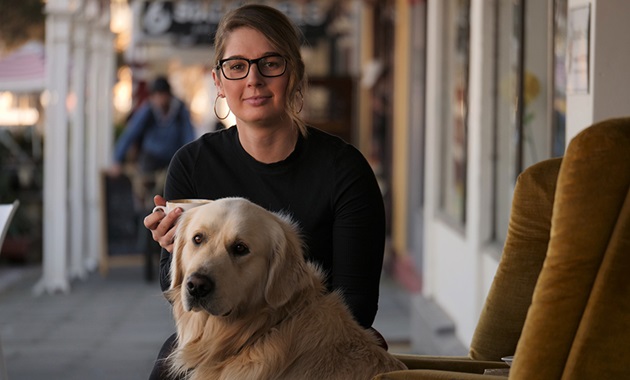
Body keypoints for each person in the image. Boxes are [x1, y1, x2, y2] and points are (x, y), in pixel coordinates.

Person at [144, 4, 386, 379]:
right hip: (220, 337)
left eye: (270, 63)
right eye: (237, 66)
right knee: (168, 366)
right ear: (219, 81)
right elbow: (180, 286)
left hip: (309, 344)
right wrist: (175, 246)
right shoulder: (191, 164)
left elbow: (357, 306)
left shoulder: (346, 171)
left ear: (295, 75)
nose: (253, 79)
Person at [110, 75, 196, 210]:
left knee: (171, 191)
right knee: (143, 192)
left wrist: (191, 161)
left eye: (163, 95)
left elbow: (188, 136)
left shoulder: (179, 110)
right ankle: (142, 211)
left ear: (169, 95)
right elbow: (131, 133)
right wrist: (117, 160)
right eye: (157, 96)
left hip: (172, 159)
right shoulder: (148, 110)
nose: (160, 100)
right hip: (150, 159)